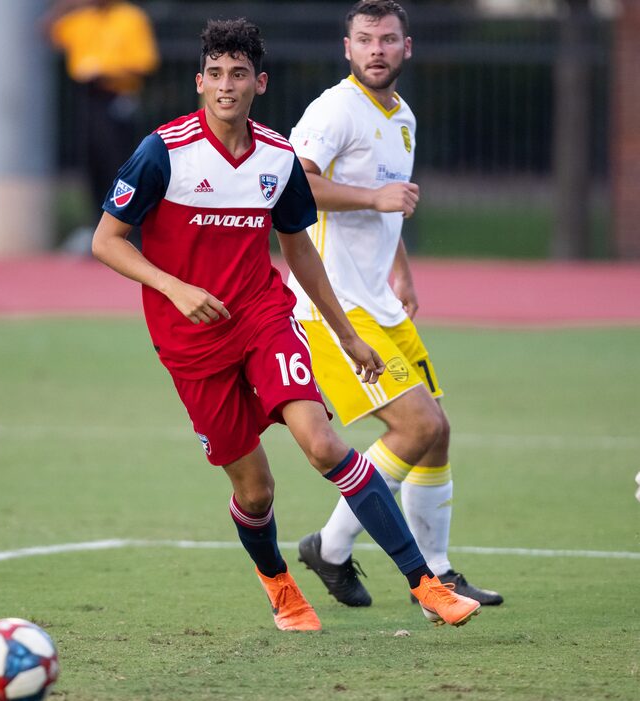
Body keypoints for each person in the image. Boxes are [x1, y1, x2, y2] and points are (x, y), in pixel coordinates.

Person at [91, 17, 481, 632]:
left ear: (259, 82)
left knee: (325, 444)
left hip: (263, 316)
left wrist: (348, 336)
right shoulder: (162, 152)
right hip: (189, 341)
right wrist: (174, 287)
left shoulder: (277, 158)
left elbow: (300, 250)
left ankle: (425, 583)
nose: (226, 86)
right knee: (256, 492)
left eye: (239, 74)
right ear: (199, 81)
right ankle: (278, 581)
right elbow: (107, 241)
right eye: (215, 74)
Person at [287, 0, 503, 608]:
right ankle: (330, 547)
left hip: (377, 299)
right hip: (331, 307)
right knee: (419, 425)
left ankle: (436, 571)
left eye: (387, 39)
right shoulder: (334, 109)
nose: (376, 49)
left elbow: (390, 207)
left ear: (407, 47)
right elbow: (295, 186)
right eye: (364, 40)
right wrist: (374, 198)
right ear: (347, 49)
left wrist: (400, 269)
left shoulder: (402, 115)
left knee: (437, 434)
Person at [45, 0, 159, 237]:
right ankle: (99, 228)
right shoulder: (82, 18)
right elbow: (48, 31)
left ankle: (129, 229)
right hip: (87, 98)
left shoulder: (130, 17)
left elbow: (145, 63)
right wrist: (66, 5)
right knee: (91, 164)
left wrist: (107, 71)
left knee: (118, 165)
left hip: (116, 97)